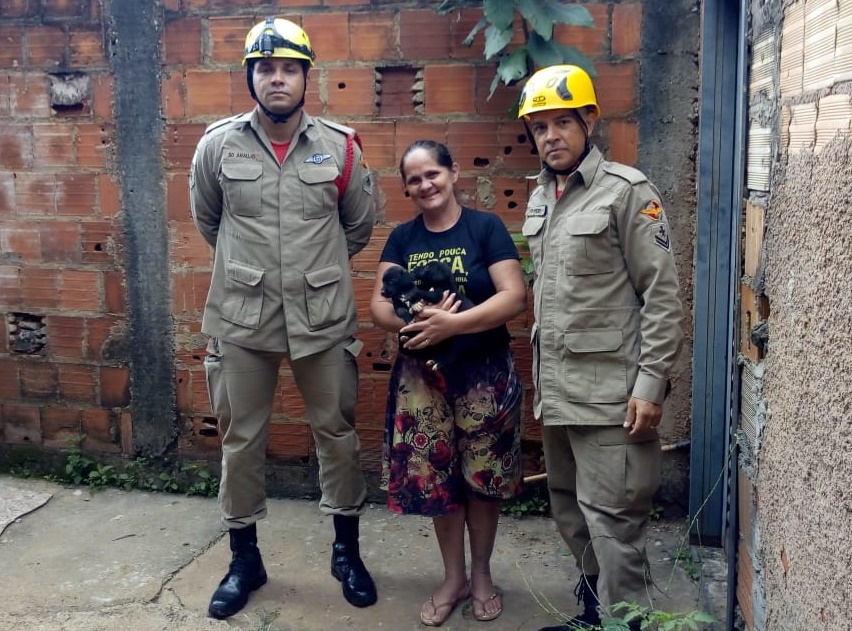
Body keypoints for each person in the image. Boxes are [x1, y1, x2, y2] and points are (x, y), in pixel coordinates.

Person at [189, 17, 377, 619]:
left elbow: (358, 226)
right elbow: (208, 221)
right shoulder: (217, 145)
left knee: (338, 435)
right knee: (241, 440)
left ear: (305, 78)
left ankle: (346, 552)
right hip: (242, 318)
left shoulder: (340, 146)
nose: (277, 79)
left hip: (321, 314)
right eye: (265, 68)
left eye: (289, 69)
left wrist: (310, 269)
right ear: (250, 75)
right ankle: (245, 558)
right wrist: (256, 270)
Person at [516, 65, 685, 630]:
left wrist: (651, 384)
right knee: (568, 511)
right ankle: (593, 615)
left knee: (614, 522)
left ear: (590, 120)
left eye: (562, 122)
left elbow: (662, 297)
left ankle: (627, 623)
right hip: (559, 392)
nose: (551, 137)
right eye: (539, 128)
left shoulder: (627, 192)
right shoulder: (541, 198)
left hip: (613, 395)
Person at [369, 140, 527, 626]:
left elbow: (514, 295)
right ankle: (453, 576)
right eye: (414, 179)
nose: (425, 185)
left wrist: (454, 325)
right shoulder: (401, 237)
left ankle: (481, 574)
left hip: (483, 375)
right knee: (437, 479)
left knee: (482, 480)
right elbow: (378, 306)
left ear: (454, 172)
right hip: (422, 381)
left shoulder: (485, 228)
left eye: (433, 173)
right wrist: (418, 319)